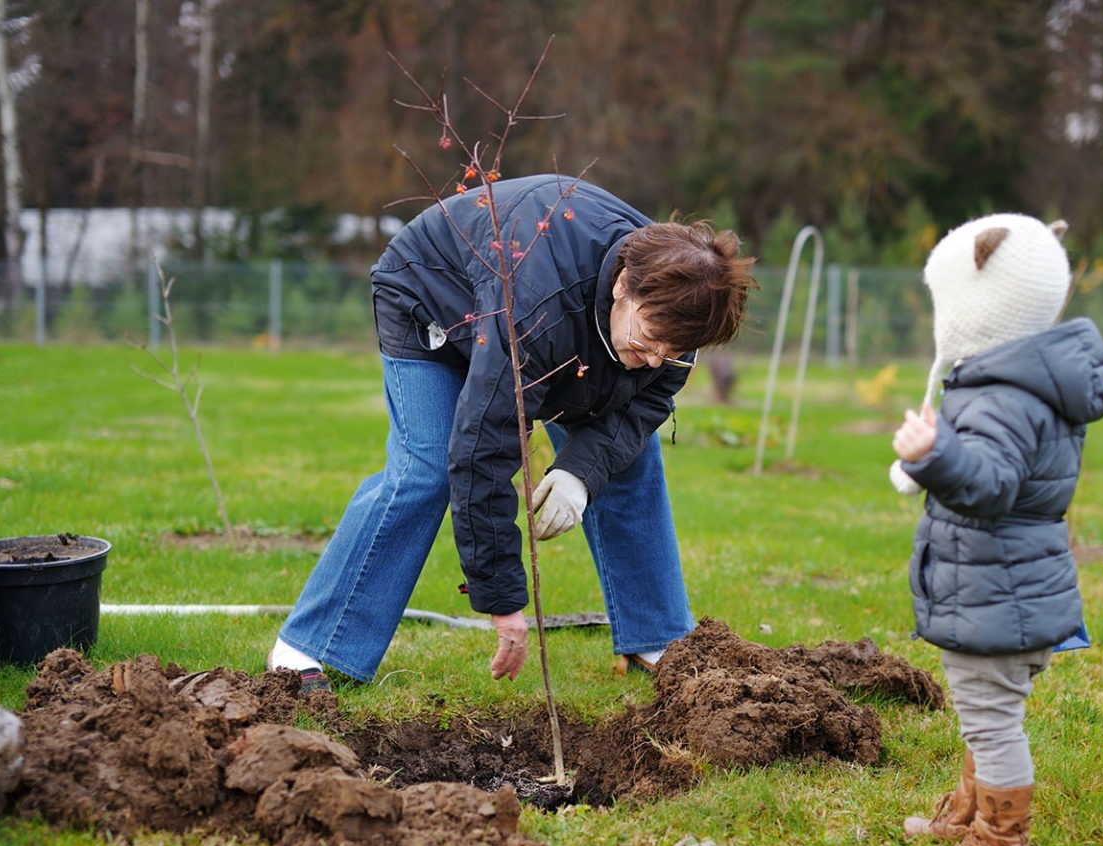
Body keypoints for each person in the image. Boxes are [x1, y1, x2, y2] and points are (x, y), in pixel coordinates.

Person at [267, 174, 756, 692]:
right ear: (622, 286)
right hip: (433, 300)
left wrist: (580, 474)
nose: (657, 359)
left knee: (630, 462)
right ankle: (310, 647)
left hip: (569, 325)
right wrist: (503, 602)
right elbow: (484, 445)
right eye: (652, 339)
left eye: (674, 351)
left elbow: (649, 399)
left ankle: (655, 642)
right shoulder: (536, 304)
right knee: (426, 469)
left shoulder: (681, 314)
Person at [889, 212, 1103, 846]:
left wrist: (935, 455)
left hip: (998, 591)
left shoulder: (1003, 398)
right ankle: (969, 810)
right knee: (982, 708)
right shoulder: (1019, 384)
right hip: (1006, 585)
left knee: (992, 721)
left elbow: (989, 486)